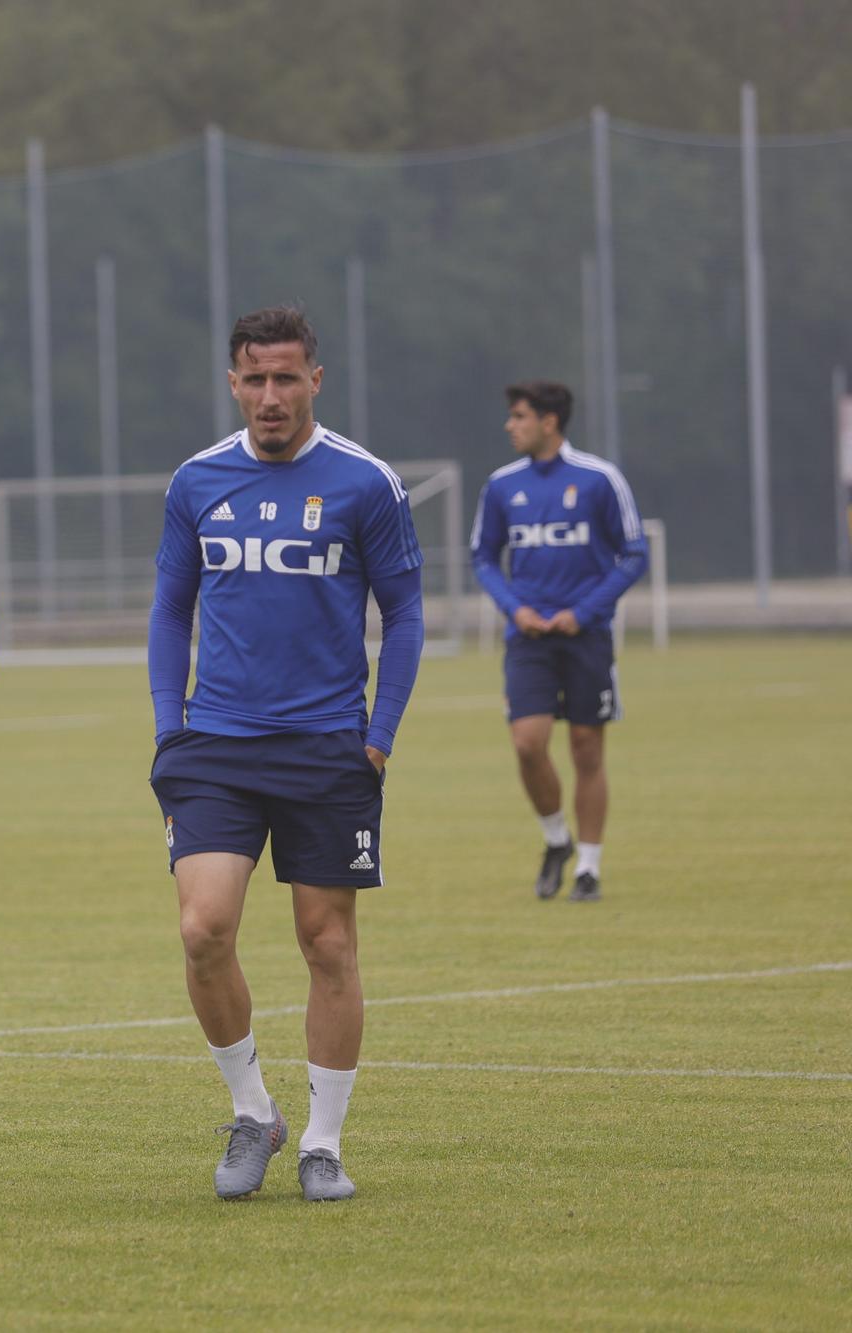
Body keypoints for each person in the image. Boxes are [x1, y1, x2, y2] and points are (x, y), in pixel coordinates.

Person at [147, 306, 425, 1203]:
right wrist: (168, 729)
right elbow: (169, 611)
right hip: (216, 747)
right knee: (202, 930)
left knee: (327, 941)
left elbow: (406, 613)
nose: (271, 395)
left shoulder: (364, 483)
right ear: (234, 383)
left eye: (287, 377)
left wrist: (377, 737)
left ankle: (323, 1142)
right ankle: (252, 1112)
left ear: (316, 380)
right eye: (255, 379)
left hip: (327, 750)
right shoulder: (197, 480)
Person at [470, 382, 647, 903]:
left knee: (587, 750)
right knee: (527, 745)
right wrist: (515, 608)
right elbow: (483, 556)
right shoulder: (502, 486)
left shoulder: (599, 479)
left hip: (586, 638)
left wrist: (584, 613)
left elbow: (634, 554)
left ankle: (589, 867)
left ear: (549, 422)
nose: (510, 425)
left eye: (519, 416)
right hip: (527, 639)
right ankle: (556, 839)